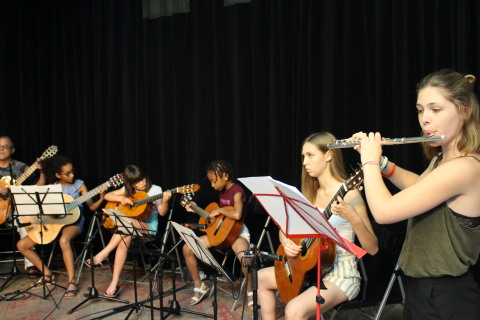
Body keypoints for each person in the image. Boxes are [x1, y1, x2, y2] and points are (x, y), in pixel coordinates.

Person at [352, 69, 480, 320]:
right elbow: (420, 187)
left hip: (446, 297)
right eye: (421, 110)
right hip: (423, 291)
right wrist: (383, 164)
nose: (425, 120)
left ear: (464, 110)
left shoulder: (465, 168)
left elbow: (383, 212)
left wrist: (368, 162)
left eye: (436, 109)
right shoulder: (443, 160)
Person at [256, 132, 378, 320]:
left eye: (310, 155)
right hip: (309, 269)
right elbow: (285, 229)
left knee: (293, 310)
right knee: (260, 278)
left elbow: (372, 248)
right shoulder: (308, 194)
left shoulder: (350, 195)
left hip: (341, 275)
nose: (305, 162)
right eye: (303, 156)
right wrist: (287, 241)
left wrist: (354, 218)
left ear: (328, 155)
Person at [16, 155, 105, 298]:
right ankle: (47, 274)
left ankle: (72, 281)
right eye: (67, 173)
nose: (72, 175)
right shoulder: (52, 187)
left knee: (64, 240)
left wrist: (101, 198)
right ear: (57, 174)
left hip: (74, 221)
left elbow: (92, 207)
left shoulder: (80, 185)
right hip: (54, 222)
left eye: (72, 171)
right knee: (22, 244)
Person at [85, 164, 171, 298]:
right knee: (124, 237)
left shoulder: (155, 190)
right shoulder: (128, 190)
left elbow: (162, 212)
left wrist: (165, 201)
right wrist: (121, 198)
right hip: (129, 229)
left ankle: (104, 253)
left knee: (127, 225)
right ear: (130, 183)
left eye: (142, 179)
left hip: (148, 229)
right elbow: (108, 196)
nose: (141, 183)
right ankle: (114, 283)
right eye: (136, 182)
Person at [182, 160, 255, 310]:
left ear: (226, 176)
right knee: (187, 248)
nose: (212, 185)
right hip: (221, 233)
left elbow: (237, 213)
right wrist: (195, 209)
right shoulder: (221, 190)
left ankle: (251, 292)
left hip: (238, 232)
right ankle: (199, 285)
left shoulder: (237, 191)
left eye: (214, 181)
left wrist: (220, 211)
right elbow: (216, 217)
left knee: (245, 259)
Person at [0, 135, 46, 278]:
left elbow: (39, 186)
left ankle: (31, 265)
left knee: (27, 221)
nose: (1, 149)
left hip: (15, 211)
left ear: (12, 150)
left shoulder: (21, 168)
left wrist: (42, 171)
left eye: (5, 146)